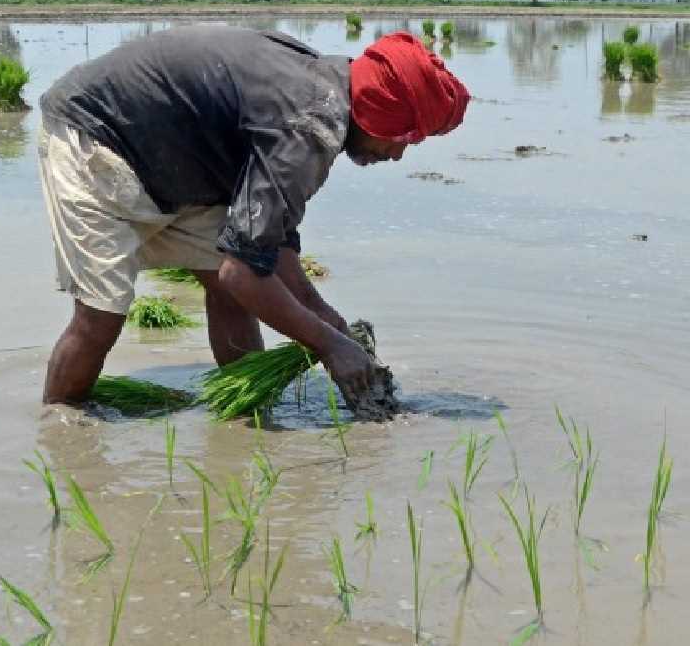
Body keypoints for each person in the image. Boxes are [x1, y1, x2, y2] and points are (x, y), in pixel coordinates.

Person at [36, 26, 470, 410]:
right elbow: (241, 272)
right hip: (97, 139)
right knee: (101, 317)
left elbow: (266, 246)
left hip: (176, 163)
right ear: (379, 111)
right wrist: (330, 345)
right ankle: (59, 426)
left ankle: (244, 413)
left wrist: (330, 322)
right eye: (402, 139)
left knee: (228, 293)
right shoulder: (309, 125)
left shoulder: (321, 90)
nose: (396, 155)